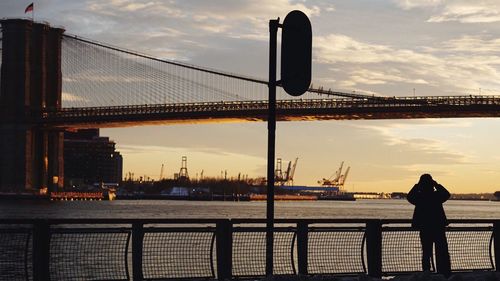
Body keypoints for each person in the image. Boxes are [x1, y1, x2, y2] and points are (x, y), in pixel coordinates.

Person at [407, 174, 451, 277]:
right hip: (438, 227)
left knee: (426, 251)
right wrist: (437, 185)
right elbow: (447, 194)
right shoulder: (436, 196)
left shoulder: (419, 197)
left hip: (424, 227)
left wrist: (417, 186)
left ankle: (426, 273)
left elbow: (409, 197)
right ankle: (443, 272)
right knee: (441, 250)